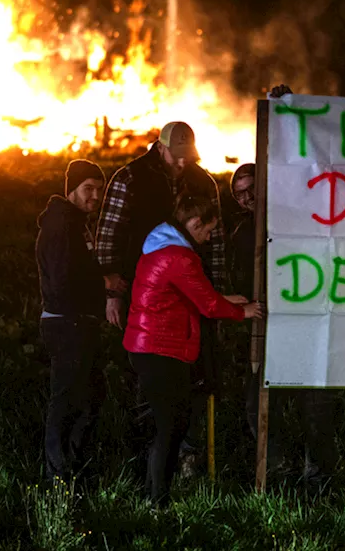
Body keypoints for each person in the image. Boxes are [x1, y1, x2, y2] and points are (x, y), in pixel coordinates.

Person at [94, 120, 229, 474]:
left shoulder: (203, 182)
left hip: (191, 295)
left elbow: (216, 242)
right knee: (146, 373)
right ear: (161, 147)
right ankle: (146, 455)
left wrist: (218, 292)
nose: (184, 163)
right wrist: (112, 292)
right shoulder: (130, 179)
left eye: (189, 156)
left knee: (194, 371)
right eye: (178, 156)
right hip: (145, 298)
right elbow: (110, 232)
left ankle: (186, 454)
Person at [123, 193, 262, 506]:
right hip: (161, 349)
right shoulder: (180, 257)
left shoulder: (161, 245)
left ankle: (154, 495)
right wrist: (245, 311)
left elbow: (194, 294)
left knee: (168, 424)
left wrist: (229, 300)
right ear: (195, 223)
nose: (209, 237)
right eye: (208, 230)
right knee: (171, 427)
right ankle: (158, 501)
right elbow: (208, 305)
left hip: (149, 346)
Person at [233, 155, 339, 491]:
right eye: (239, 194)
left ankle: (319, 474)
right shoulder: (242, 232)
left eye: (251, 189)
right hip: (267, 329)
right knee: (258, 403)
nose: (247, 197)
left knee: (315, 404)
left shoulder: (297, 219)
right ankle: (278, 467)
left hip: (305, 325)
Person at [35, 160, 119, 486]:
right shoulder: (60, 227)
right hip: (65, 322)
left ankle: (74, 467)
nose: (95, 196)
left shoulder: (75, 222)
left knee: (90, 396)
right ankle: (58, 475)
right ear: (71, 188)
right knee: (67, 398)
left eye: (99, 190)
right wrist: (104, 283)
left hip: (79, 322)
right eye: (88, 189)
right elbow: (61, 281)